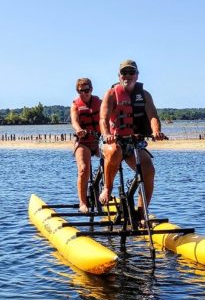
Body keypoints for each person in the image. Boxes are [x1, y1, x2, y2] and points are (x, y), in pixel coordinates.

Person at [98, 59, 167, 211]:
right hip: (112, 140)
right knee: (114, 152)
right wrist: (107, 134)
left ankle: (142, 212)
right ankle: (107, 188)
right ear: (119, 75)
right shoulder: (111, 94)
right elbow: (103, 118)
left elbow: (153, 116)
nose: (128, 75)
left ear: (137, 75)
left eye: (131, 72)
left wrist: (156, 131)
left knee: (148, 169)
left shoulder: (145, 95)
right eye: (124, 72)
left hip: (133, 142)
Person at [70, 77, 102, 213]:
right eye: (80, 91)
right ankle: (82, 203)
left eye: (86, 90)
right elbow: (74, 121)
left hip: (98, 140)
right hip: (83, 142)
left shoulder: (99, 102)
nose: (84, 93)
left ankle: (105, 191)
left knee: (112, 163)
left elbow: (107, 117)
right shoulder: (75, 105)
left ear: (91, 89)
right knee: (83, 169)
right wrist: (78, 129)